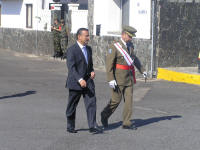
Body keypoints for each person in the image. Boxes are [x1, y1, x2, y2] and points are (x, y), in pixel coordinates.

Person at [100, 26, 147, 130]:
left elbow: (134, 59)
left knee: (129, 101)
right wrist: (110, 79)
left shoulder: (130, 46)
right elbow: (109, 64)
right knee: (116, 100)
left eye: (131, 37)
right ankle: (104, 115)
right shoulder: (114, 46)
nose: (131, 38)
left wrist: (142, 70)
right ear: (124, 34)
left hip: (129, 78)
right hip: (118, 79)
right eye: (129, 36)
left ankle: (126, 122)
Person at [65, 28, 102, 134]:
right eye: (86, 36)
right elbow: (71, 67)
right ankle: (70, 126)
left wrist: (92, 71)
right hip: (75, 82)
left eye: (88, 36)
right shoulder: (72, 50)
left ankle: (92, 125)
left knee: (91, 103)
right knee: (72, 105)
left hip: (88, 81)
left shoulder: (89, 49)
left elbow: (89, 65)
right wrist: (80, 79)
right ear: (79, 37)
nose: (88, 38)